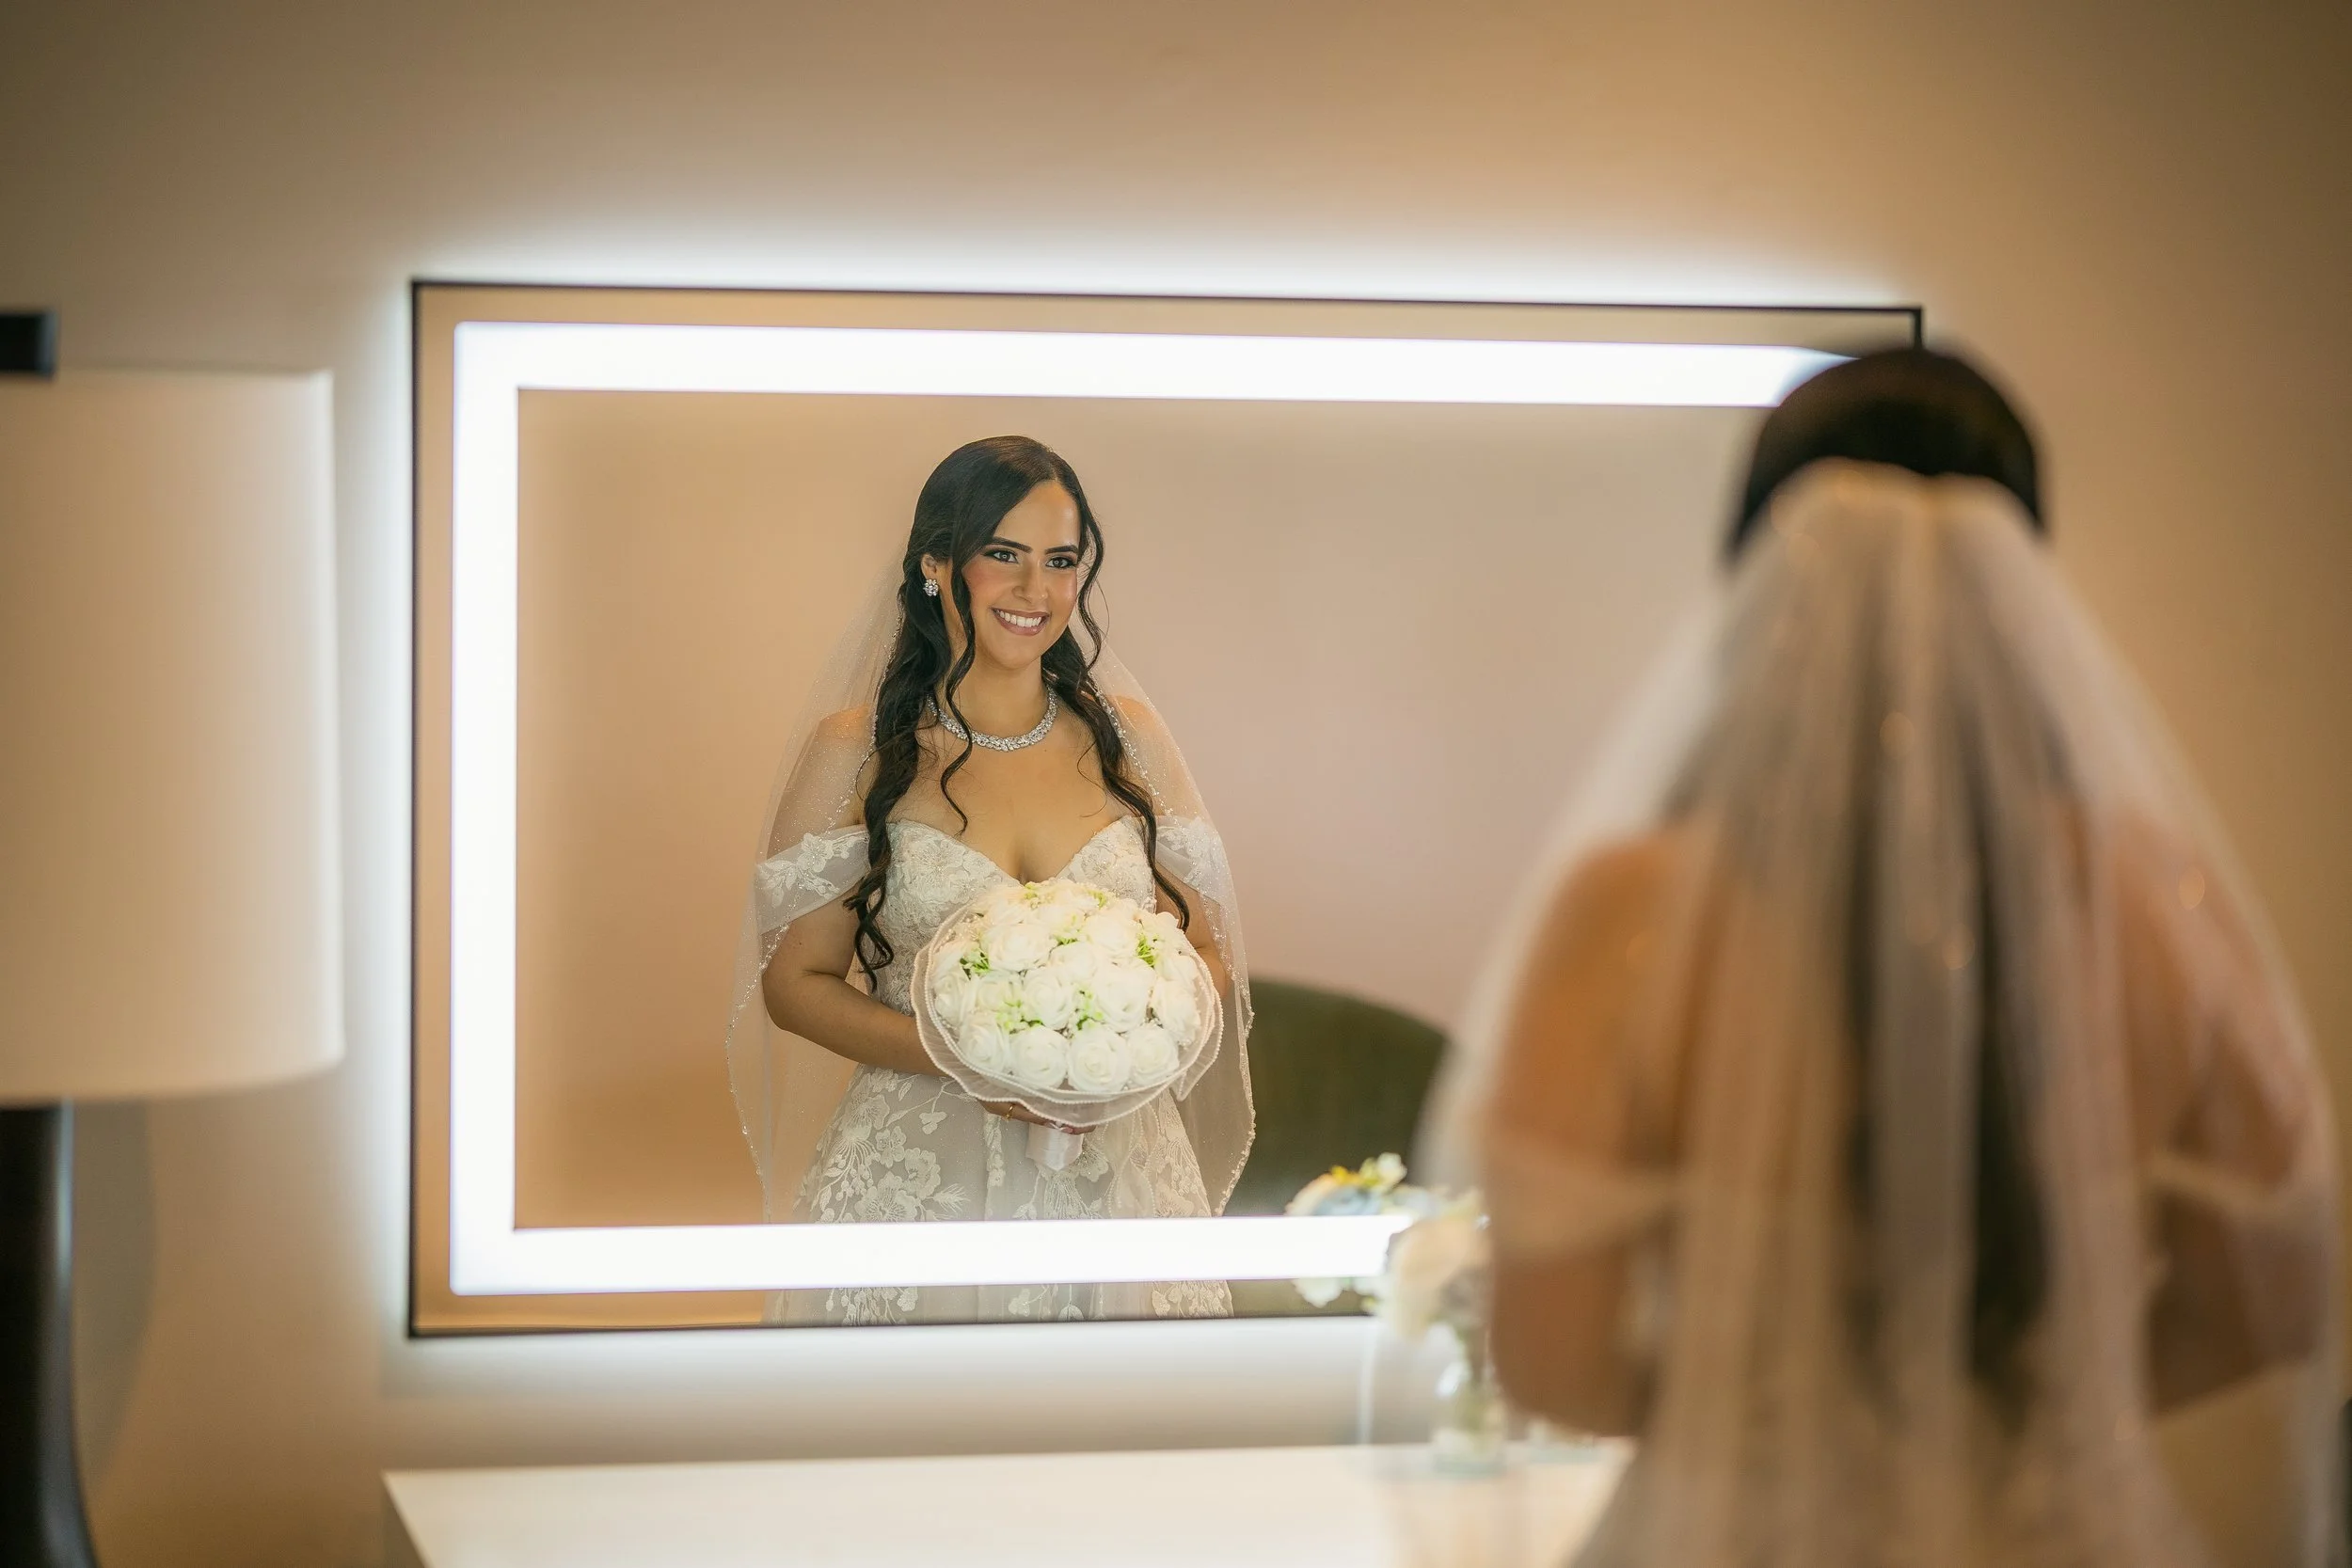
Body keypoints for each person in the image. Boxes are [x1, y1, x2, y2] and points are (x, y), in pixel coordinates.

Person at [1429, 350, 2340, 1565]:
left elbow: (1553, 1355)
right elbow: (2272, 1289)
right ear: (2022, 587)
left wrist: (1755, 1428)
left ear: (1752, 573)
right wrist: (2052, 1406)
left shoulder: (1635, 912)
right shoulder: (2152, 899)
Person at [721, 436, 1253, 1325]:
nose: (1035, 591)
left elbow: (1204, 949)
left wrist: (1128, 1049)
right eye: (1002, 555)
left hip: (1116, 1169)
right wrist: (968, 1061)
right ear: (937, 564)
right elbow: (795, 982)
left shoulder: (1130, 738)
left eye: (1060, 561)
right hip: (921, 1174)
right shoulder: (854, 751)